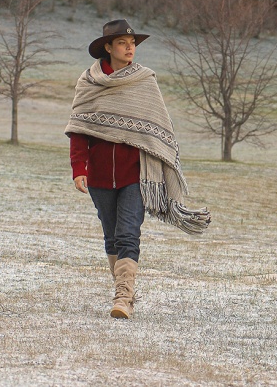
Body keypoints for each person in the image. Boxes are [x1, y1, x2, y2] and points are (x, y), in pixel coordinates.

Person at [65, 19, 211, 319]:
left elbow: (158, 129)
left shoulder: (145, 80)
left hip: (138, 175)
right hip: (100, 175)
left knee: (129, 234)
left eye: (132, 43)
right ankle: (123, 289)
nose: (130, 47)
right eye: (122, 43)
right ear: (108, 47)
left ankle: (124, 297)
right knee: (111, 236)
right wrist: (78, 167)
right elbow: (79, 128)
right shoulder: (89, 82)